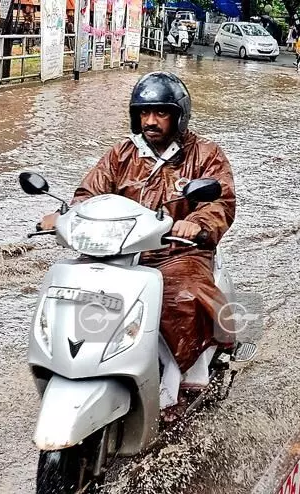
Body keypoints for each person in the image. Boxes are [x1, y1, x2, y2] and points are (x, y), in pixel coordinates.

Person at [40, 72, 236, 386]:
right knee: (69, 292)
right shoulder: (121, 153)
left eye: (160, 113)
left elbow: (221, 201)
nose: (151, 121)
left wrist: (196, 223)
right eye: (144, 113)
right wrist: (64, 216)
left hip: (177, 252)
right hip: (120, 254)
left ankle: (188, 376)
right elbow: (90, 193)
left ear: (178, 116)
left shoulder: (205, 153)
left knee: (183, 296)